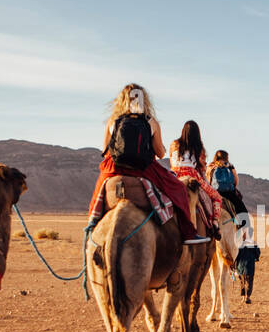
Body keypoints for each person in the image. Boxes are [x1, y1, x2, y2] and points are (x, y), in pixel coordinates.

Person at [87, 83, 208, 244]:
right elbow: (160, 153)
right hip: (142, 168)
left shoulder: (113, 121)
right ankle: (188, 233)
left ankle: (91, 229)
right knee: (178, 188)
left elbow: (106, 150)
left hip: (115, 167)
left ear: (122, 100)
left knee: (98, 193)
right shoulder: (151, 122)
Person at [168, 121, 227, 237]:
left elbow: (171, 162)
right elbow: (202, 167)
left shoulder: (174, 144)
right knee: (217, 197)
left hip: (174, 176)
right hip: (192, 175)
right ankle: (215, 223)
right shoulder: (198, 147)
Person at [207, 149, 251, 239]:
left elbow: (208, 181)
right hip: (229, 194)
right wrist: (232, 169)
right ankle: (245, 236)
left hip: (215, 193)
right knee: (243, 211)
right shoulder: (229, 167)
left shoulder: (211, 166)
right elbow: (236, 182)